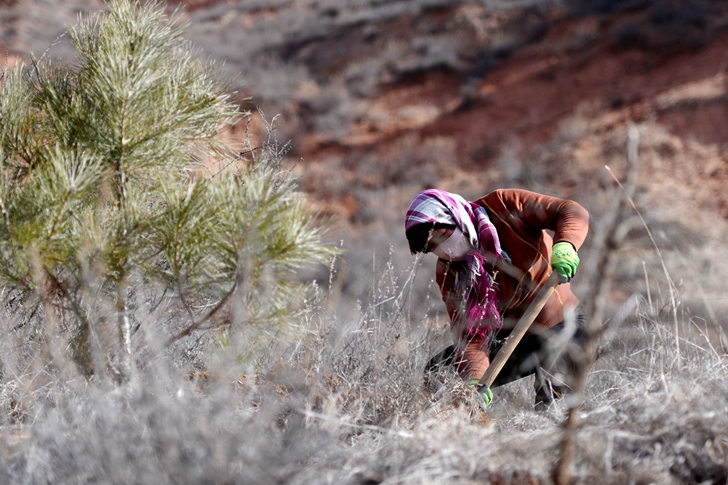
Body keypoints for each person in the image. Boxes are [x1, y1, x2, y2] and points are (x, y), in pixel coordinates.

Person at [405, 188, 589, 410]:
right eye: (434, 247)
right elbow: (470, 334)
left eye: (444, 235)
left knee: (552, 402)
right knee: (438, 373)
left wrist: (566, 245)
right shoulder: (450, 272)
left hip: (563, 326)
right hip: (510, 341)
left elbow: (569, 210)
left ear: (454, 215)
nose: (446, 250)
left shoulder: (504, 206)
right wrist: (473, 380)